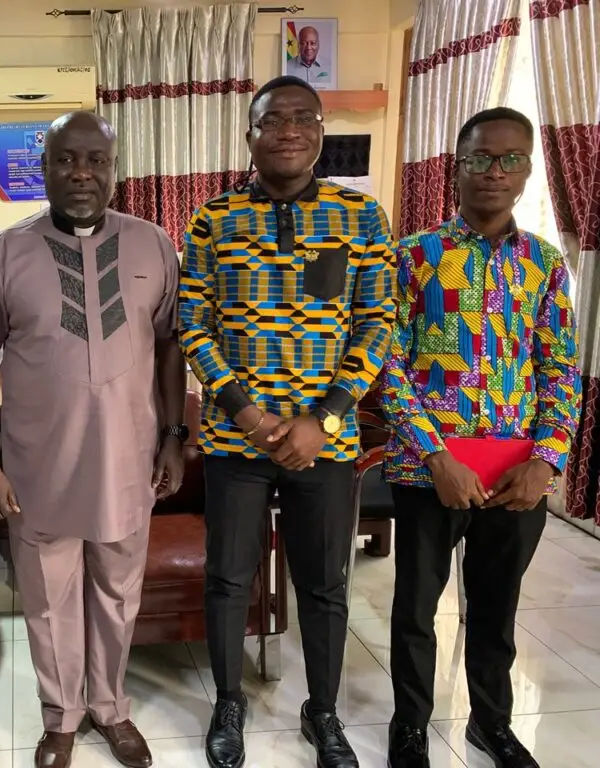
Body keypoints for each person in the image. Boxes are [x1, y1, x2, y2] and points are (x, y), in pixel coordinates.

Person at [0, 111, 186, 768]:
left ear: (114, 169)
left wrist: (174, 436)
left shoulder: (152, 246)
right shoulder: (3, 255)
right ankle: (61, 717)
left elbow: (170, 347)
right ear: (44, 168)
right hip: (37, 468)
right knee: (49, 600)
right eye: (65, 160)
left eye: (95, 160)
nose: (81, 173)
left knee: (118, 593)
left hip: (126, 463)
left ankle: (110, 709)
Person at [179, 75, 396, 768]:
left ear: (321, 132)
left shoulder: (360, 218)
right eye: (273, 120)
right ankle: (228, 701)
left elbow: (377, 323)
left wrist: (324, 420)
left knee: (324, 584)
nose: (289, 131)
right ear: (250, 134)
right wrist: (245, 412)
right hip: (234, 438)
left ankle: (322, 711)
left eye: (304, 118)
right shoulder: (213, 219)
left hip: (323, 442)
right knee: (228, 577)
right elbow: (193, 324)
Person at [378, 107, 581, 768]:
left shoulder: (545, 264)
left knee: (496, 607)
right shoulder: (414, 257)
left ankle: (491, 724)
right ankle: (410, 727)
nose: (495, 172)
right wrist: (436, 456)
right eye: (480, 158)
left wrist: (546, 461)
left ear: (528, 170)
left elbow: (560, 367)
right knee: (415, 609)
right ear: (455, 167)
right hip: (429, 471)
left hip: (516, 475)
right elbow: (388, 366)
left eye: (510, 159)